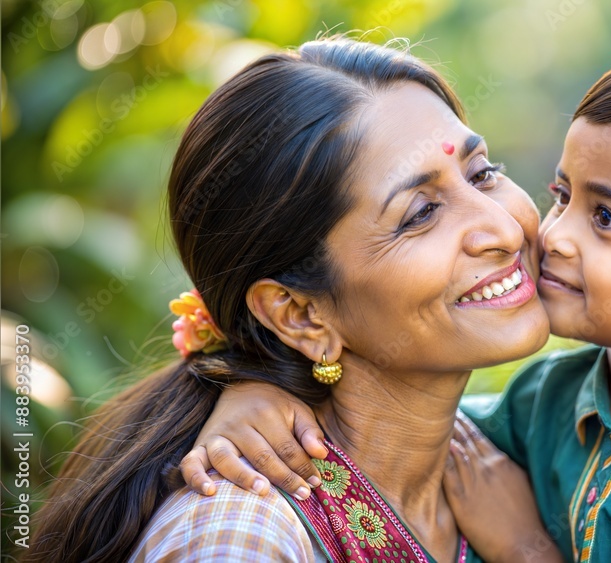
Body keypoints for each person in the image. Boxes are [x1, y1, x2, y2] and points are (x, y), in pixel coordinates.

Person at [182, 46, 611, 562]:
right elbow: (414, 430)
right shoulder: (555, 399)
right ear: (299, 314)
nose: (540, 235)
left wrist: (525, 548)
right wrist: (251, 386)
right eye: (561, 197)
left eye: (607, 218)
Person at [25, 36, 555, 563]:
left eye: (482, 174)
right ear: (299, 314)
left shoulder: (525, 449)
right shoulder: (238, 538)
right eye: (420, 213)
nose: (505, 228)